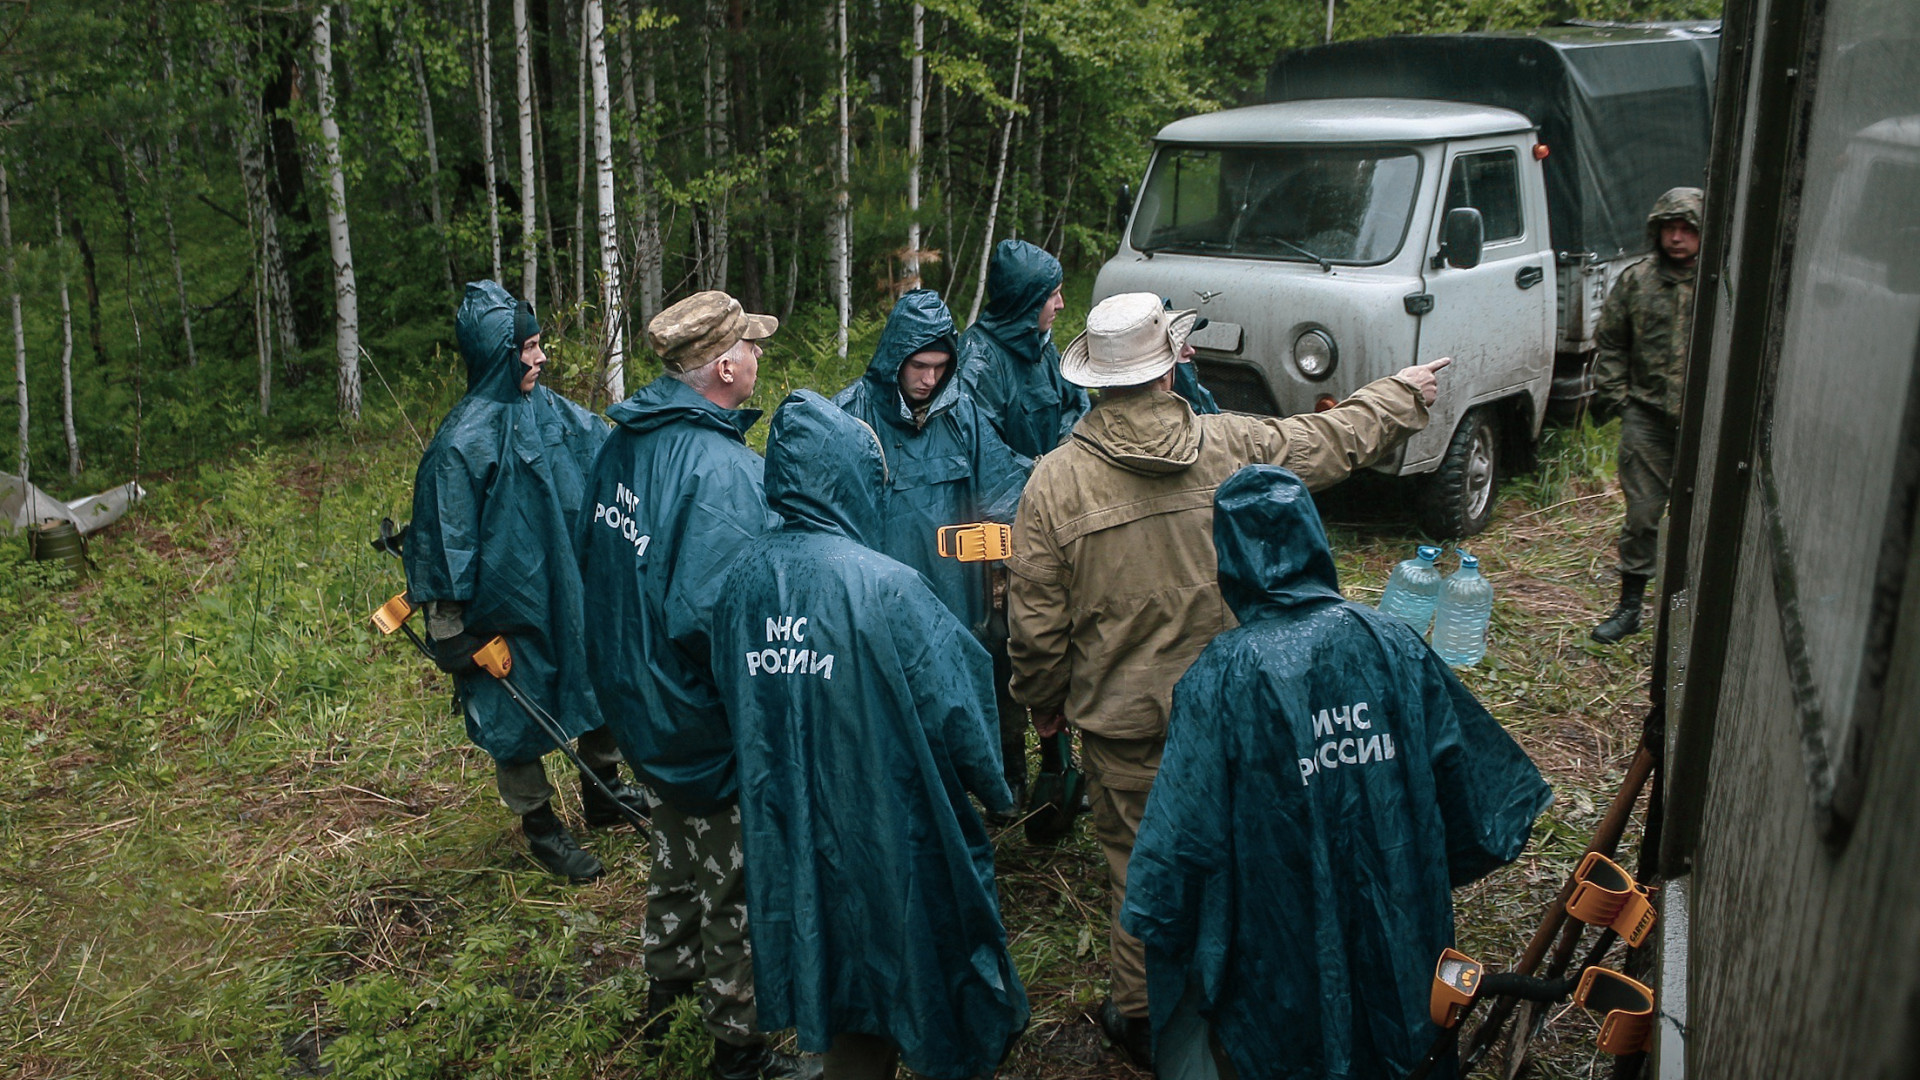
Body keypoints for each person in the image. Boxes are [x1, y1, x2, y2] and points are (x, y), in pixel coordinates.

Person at [1006, 290, 1450, 1067]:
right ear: (1171, 368)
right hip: (1247, 716)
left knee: (1142, 869)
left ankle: (1146, 1019)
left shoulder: (1052, 483)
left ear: (1097, 382)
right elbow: (1331, 440)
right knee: (1249, 855)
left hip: (1127, 730)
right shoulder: (1231, 444)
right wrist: (1402, 393)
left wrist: (1046, 711)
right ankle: (1253, 1000)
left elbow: (1036, 631)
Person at [1124, 465, 1553, 1080]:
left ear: (1229, 560)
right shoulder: (1391, 642)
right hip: (1397, 902)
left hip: (1276, 928)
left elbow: (1182, 836)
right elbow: (1479, 792)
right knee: (1400, 1018)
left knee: (1294, 1030)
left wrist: (1164, 915)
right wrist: (1409, 866)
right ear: (1314, 540)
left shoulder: (1221, 675)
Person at [711, 390, 1029, 1080]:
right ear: (849, 478)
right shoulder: (887, 588)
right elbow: (958, 704)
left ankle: (840, 1058)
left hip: (782, 816)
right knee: (906, 957)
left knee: (821, 943)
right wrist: (995, 786)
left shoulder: (738, 581)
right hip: (887, 819)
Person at [574, 290, 814, 1080]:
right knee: (738, 879)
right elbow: (725, 623)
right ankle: (738, 1047)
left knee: (677, 847)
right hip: (703, 719)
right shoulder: (724, 474)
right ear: (722, 365)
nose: (758, 358)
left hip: (638, 702)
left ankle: (664, 990)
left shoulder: (623, 445)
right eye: (751, 346)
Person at [404, 280, 642, 884]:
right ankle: (541, 827)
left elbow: (610, 445)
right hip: (502, 612)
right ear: (497, 355)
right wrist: (449, 627)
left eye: (539, 345)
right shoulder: (459, 445)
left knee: (594, 682)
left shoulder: (549, 409)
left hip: (569, 589)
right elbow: (443, 540)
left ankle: (604, 794)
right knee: (515, 719)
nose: (540, 358)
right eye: (528, 348)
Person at [831, 289, 1029, 806]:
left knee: (964, 694)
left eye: (940, 367)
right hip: (882, 601)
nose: (928, 379)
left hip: (958, 597)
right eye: (918, 365)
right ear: (895, 355)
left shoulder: (961, 414)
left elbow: (1004, 490)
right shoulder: (850, 415)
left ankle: (983, 789)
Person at [1590, 186, 1703, 643]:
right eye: (1668, 229)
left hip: (1707, 422)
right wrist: (1617, 396)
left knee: (1704, 520)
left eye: (1687, 229)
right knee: (1641, 518)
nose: (1676, 238)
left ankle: (1696, 610)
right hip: (1648, 419)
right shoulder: (1638, 280)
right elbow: (1612, 339)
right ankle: (1631, 607)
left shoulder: (1724, 281)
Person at [956, 239, 1084, 463]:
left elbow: (1074, 405)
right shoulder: (978, 360)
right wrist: (1039, 474)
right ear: (1027, 301)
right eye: (1053, 295)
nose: (1061, 304)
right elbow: (982, 453)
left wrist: (1068, 451)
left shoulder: (1041, 347)